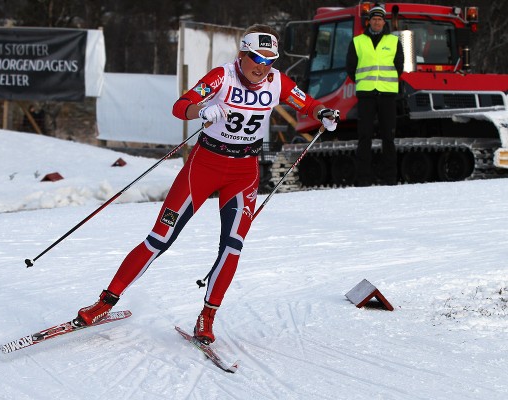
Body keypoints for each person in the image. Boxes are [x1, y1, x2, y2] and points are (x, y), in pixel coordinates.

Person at [74, 24, 339, 345]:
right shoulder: (221, 76)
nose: (262, 67)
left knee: (232, 246)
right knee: (160, 238)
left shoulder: (277, 81)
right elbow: (180, 107)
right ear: (242, 54)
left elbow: (308, 104)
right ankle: (105, 302)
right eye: (256, 58)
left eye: (270, 60)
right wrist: (203, 109)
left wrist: (325, 112)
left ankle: (207, 317)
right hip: (204, 166)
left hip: (244, 173)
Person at [346, 4, 404, 186]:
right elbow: (350, 67)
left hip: (387, 95)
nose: (377, 22)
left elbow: (399, 66)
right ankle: (363, 178)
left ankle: (390, 178)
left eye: (380, 19)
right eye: (374, 19)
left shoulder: (394, 41)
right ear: (368, 21)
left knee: (388, 137)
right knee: (365, 137)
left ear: (383, 22)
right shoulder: (358, 41)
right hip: (366, 95)